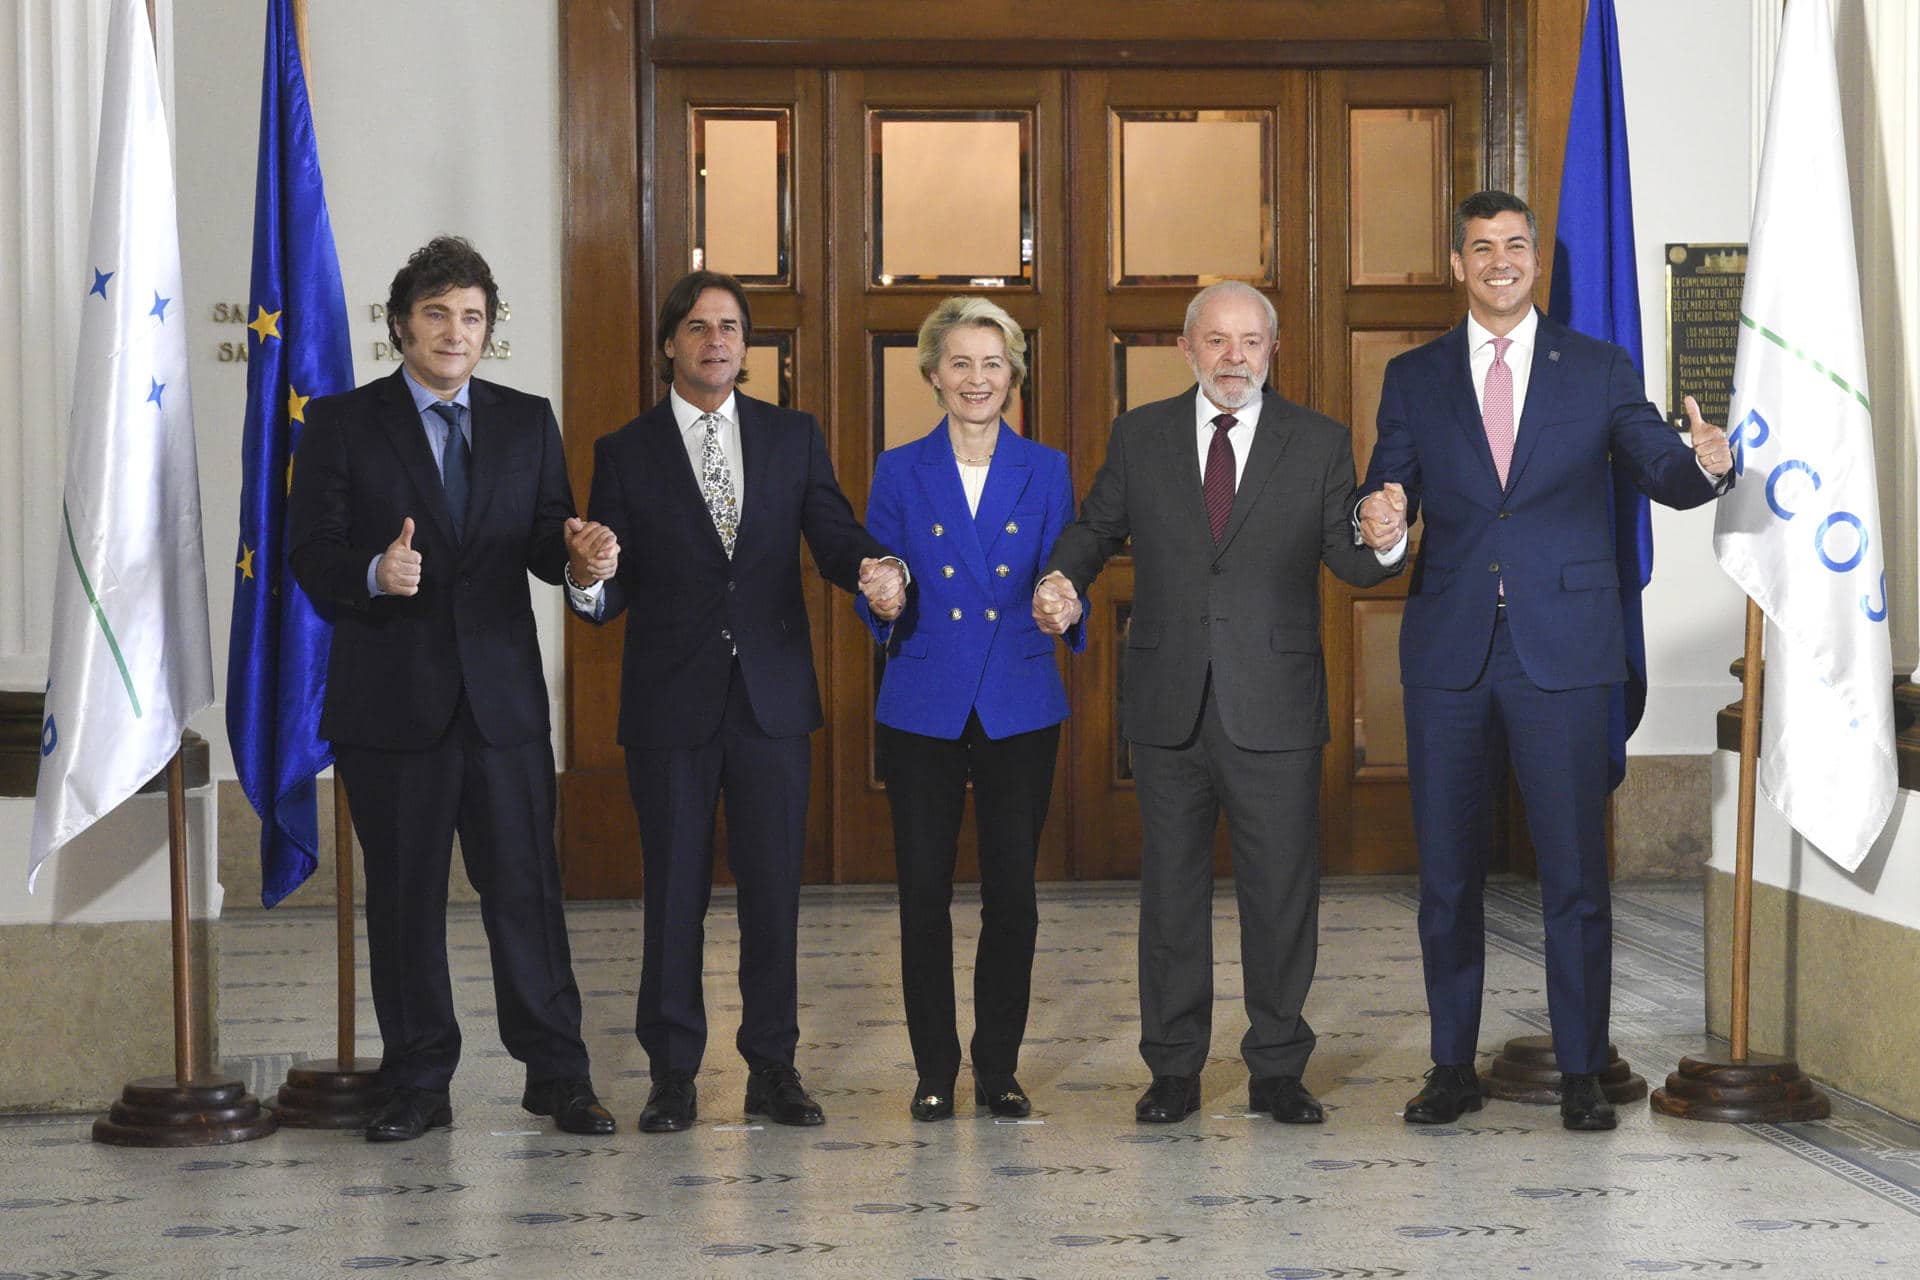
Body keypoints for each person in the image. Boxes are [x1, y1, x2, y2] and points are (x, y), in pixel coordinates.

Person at [1355, 191, 1732, 1132]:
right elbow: (1384, 489)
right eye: (1480, 248)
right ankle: (1450, 1065)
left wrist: (1707, 466)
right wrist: (1382, 521)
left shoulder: (1598, 369)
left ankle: (1577, 1070)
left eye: (1514, 246)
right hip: (1450, 656)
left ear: (1537, 262)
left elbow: (1659, 468)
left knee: (1573, 873)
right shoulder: (1414, 376)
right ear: (1457, 264)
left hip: (1564, 653)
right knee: (1446, 874)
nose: (1499, 262)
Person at [1033, 280, 1398, 1124]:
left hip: (1273, 703)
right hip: (1169, 705)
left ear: (1273, 351)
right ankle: (1173, 1068)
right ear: (1188, 349)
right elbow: (1095, 528)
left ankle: (1276, 1068)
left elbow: (1351, 558)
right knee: (1170, 895)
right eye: (1218, 341)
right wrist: (1062, 576)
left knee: (1280, 894)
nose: (1235, 358)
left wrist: (1384, 538)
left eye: (1251, 342)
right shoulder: (1141, 435)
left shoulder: (1318, 442)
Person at [287, 236, 615, 1142]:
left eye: (471, 316)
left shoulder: (525, 419)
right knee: (406, 902)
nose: (454, 331)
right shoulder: (344, 423)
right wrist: (370, 573)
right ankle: (420, 1083)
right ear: (402, 326)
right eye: (437, 314)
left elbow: (548, 540)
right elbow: (308, 553)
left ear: (488, 330)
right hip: (392, 710)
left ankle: (559, 1075)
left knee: (527, 896)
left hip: (503, 707)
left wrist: (580, 559)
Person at [570, 270, 906, 1134]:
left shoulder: (792, 436)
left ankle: (773, 1069)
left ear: (745, 347)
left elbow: (832, 532)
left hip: (771, 702)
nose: (715, 340)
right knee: (673, 891)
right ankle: (673, 1075)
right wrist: (587, 575)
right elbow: (609, 579)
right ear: (669, 346)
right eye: (697, 326)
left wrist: (873, 568)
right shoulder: (626, 449)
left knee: (772, 894)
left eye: (729, 327)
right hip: (670, 708)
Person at [858, 297, 1085, 1122]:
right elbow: (880, 578)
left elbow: (1065, 572)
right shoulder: (898, 469)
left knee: (1011, 896)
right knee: (922, 891)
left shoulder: (1048, 468)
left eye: (993, 364)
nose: (977, 379)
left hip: (1019, 703)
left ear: (1014, 377)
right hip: (923, 702)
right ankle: (932, 1070)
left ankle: (998, 1067)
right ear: (932, 375)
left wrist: (1069, 604)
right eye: (960, 363)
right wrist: (880, 595)